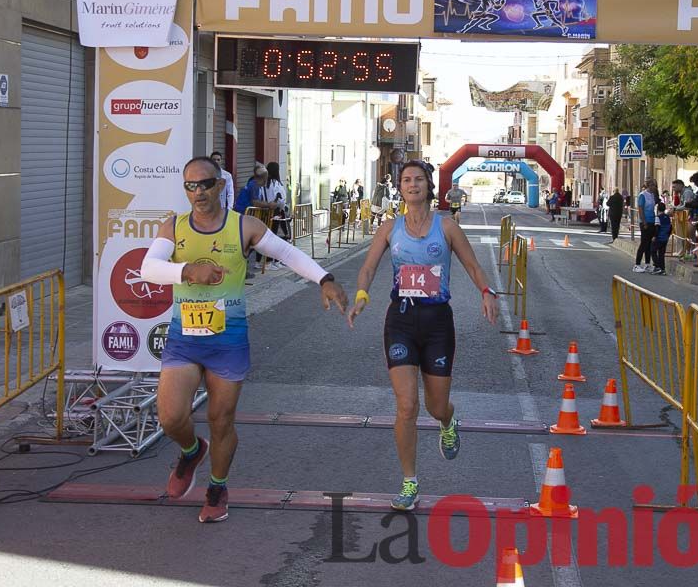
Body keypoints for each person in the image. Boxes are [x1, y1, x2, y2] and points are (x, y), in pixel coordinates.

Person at [140, 156, 348, 522]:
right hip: (184, 338)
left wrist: (324, 279)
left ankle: (217, 488)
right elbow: (149, 268)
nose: (198, 192)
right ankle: (191, 451)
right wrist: (187, 270)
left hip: (228, 339)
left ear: (221, 185)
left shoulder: (244, 226)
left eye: (205, 184)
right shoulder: (173, 227)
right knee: (170, 417)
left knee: (222, 419)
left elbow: (286, 252)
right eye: (190, 186)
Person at [346, 160, 499, 510]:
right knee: (406, 405)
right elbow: (369, 266)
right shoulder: (389, 227)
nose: (412, 185)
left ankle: (448, 420)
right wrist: (361, 296)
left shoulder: (446, 228)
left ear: (430, 186)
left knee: (434, 406)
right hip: (399, 319)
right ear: (399, 187)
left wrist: (486, 292)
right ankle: (409, 483)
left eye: (418, 180)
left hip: (437, 323)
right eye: (406, 180)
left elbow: (472, 266)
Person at [633, 179, 658, 272]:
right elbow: (640, 209)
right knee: (643, 243)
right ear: (647, 186)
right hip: (645, 221)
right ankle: (637, 264)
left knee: (649, 244)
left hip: (652, 220)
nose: (653, 187)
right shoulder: (642, 195)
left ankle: (647, 263)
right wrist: (644, 222)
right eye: (651, 185)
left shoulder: (652, 195)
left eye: (654, 185)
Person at [652, 203, 672, 275]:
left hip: (659, 238)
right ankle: (663, 269)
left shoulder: (658, 217)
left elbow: (657, 228)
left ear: (658, 209)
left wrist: (654, 236)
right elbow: (670, 228)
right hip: (665, 238)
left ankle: (657, 266)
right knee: (661, 254)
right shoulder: (667, 217)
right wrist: (668, 236)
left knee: (653, 251)